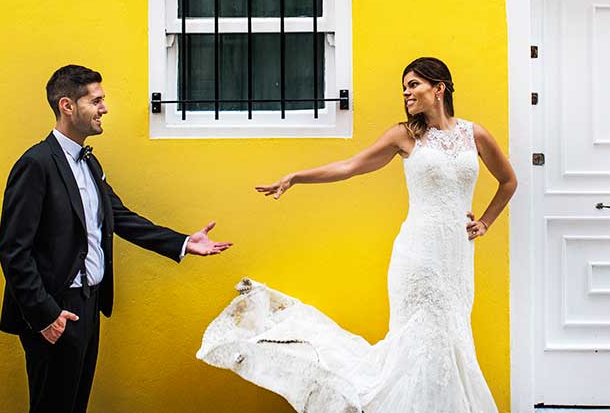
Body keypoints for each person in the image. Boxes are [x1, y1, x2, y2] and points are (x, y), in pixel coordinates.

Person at [197, 57, 516, 413]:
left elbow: (508, 181)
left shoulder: (476, 135)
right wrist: (297, 177)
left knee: (451, 337)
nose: (406, 93)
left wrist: (485, 222)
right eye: (404, 87)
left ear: (438, 88)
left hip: (456, 260)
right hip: (418, 257)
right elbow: (350, 166)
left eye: (414, 85)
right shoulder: (405, 136)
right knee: (425, 338)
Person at [0, 64, 232, 413]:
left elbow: (119, 217)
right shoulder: (36, 164)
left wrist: (183, 242)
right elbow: (14, 250)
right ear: (67, 106)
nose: (104, 109)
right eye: (96, 101)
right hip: (56, 308)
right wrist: (46, 315)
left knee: (75, 405)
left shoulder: (89, 164)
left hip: (88, 305)